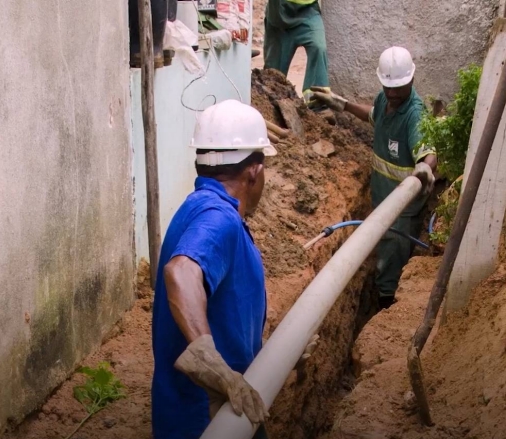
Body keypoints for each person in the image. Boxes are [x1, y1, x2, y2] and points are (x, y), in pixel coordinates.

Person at [151, 99, 293, 439]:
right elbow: (181, 271)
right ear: (254, 171)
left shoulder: (197, 207)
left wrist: (281, 355)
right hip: (210, 418)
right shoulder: (219, 219)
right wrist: (208, 360)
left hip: (213, 407)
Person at [310, 46, 437, 309]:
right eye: (386, 86)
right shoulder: (386, 100)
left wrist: (426, 167)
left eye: (397, 88)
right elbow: (373, 115)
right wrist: (342, 104)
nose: (391, 93)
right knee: (383, 253)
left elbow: (427, 151)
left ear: (412, 79)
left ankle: (386, 307)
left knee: (391, 262)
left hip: (401, 212)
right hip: (381, 199)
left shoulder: (414, 115)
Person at [264, 0, 329, 106]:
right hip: (279, 15)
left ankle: (318, 104)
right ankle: (271, 107)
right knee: (273, 73)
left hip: (308, 11)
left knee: (318, 46)